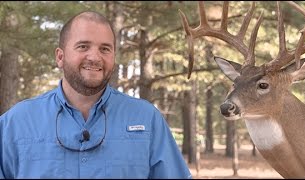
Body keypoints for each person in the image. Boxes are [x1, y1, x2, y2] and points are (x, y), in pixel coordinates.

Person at [0, 11, 192, 179]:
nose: (94, 57)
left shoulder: (147, 119)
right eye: (83, 46)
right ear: (60, 57)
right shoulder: (16, 123)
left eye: (105, 49)